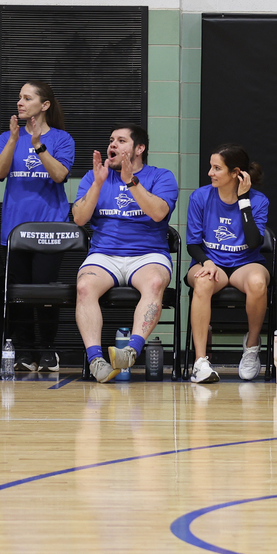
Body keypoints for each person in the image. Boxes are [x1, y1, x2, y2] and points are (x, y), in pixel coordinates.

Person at [72, 125, 179, 383]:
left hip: (147, 254)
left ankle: (130, 352)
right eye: (111, 140)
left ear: (139, 148)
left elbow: (158, 213)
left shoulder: (161, 176)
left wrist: (131, 182)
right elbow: (78, 218)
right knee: (85, 286)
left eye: (121, 141)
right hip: (104, 254)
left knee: (154, 283)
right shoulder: (94, 176)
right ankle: (96, 360)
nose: (113, 145)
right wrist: (97, 184)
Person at [0, 81, 74, 372]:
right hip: (15, 229)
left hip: (50, 228)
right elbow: (0, 172)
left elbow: (59, 174)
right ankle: (24, 349)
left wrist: (38, 145)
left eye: (27, 98)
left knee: (44, 292)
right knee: (19, 292)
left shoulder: (62, 138)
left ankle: (48, 348)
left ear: (45, 105)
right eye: (19, 98)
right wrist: (15, 140)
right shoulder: (7, 137)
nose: (20, 102)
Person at [185, 144, 270, 384]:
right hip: (210, 262)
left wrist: (243, 200)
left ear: (236, 173)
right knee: (202, 282)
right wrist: (206, 261)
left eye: (216, 168)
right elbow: (192, 244)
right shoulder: (200, 196)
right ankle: (200, 362)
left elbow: (254, 243)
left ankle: (252, 347)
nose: (210, 173)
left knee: (257, 282)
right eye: (210, 167)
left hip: (246, 263)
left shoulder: (258, 200)